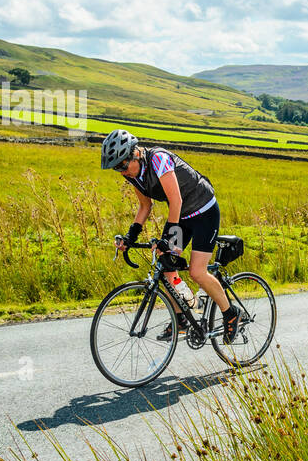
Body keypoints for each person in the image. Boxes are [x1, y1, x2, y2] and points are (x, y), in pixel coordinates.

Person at [100, 129, 239, 343]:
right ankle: (181, 318)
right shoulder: (134, 175)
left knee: (197, 271)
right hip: (183, 216)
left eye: (122, 165)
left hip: (204, 211)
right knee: (167, 265)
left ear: (135, 154)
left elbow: (176, 201)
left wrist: (166, 238)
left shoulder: (159, 160)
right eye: (116, 168)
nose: (121, 172)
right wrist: (131, 236)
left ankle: (230, 313)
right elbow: (146, 205)